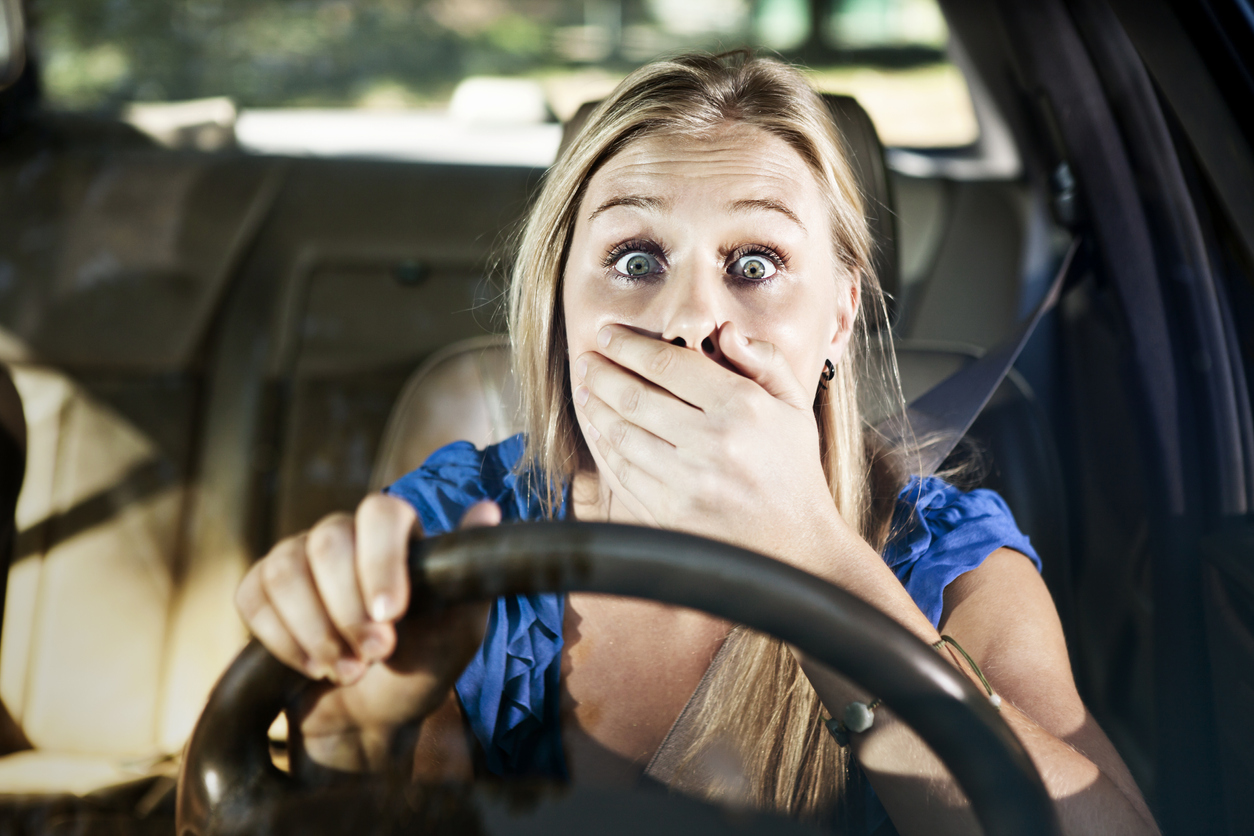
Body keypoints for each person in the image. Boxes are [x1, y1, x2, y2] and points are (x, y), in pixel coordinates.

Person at [235, 52, 1159, 835]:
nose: (688, 319)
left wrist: (812, 550)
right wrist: (362, 726)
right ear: (560, 307)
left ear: (839, 318)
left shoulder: (949, 565)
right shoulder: (456, 525)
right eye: (636, 260)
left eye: (755, 263)